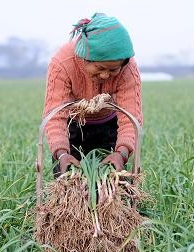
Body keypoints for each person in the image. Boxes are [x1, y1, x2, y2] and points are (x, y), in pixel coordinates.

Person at [42, 13, 142, 176]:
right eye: (100, 68)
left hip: (109, 125)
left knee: (113, 179)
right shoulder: (63, 63)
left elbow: (130, 118)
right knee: (68, 178)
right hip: (72, 125)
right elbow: (55, 115)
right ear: (85, 58)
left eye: (113, 70)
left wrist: (121, 153)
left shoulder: (128, 68)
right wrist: (61, 153)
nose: (105, 76)